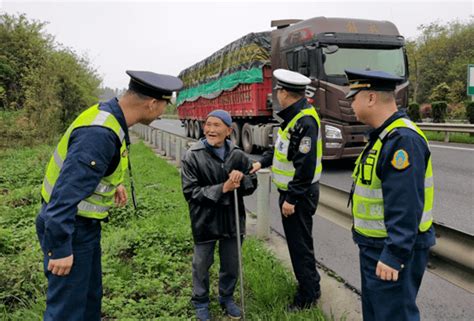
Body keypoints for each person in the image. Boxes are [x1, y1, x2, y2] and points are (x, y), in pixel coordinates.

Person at [35, 70, 183, 321]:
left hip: (83, 227)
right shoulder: (99, 134)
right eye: (164, 106)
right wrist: (61, 248)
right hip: (70, 228)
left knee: (89, 301)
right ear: (152, 104)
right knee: (67, 311)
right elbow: (63, 197)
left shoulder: (112, 116)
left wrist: (115, 184)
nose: (162, 114)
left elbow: (93, 167)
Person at [344, 69, 436, 321]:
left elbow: (406, 205)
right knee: (377, 314)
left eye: (354, 97)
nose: (350, 103)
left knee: (394, 315)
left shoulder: (401, 140)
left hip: (391, 248)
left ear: (371, 98)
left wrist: (394, 254)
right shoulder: (383, 136)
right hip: (376, 245)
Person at [251, 69, 323, 311]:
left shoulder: (304, 121)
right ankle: (311, 285)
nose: (277, 95)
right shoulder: (293, 118)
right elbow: (283, 152)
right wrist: (261, 162)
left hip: (299, 196)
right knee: (299, 244)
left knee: (299, 246)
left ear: (283, 93)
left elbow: (305, 166)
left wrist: (291, 198)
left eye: (278, 91)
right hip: (293, 194)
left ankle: (307, 296)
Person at [181, 109, 257, 321]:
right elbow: (190, 193)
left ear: (228, 130)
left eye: (216, 125)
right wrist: (223, 188)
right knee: (201, 264)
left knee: (231, 263)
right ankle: (201, 301)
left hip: (232, 219)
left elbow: (252, 185)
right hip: (204, 220)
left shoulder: (239, 155)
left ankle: (226, 297)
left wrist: (242, 179)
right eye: (208, 124)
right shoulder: (192, 156)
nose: (210, 129)